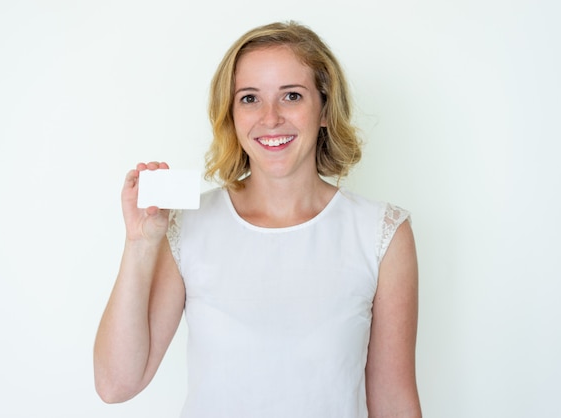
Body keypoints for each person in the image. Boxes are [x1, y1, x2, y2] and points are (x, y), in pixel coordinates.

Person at [94, 20, 422, 418]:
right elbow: (116, 385)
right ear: (231, 114)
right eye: (250, 98)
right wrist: (140, 244)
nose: (270, 118)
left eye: (292, 96)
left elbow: (393, 401)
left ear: (324, 109)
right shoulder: (187, 226)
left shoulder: (381, 233)